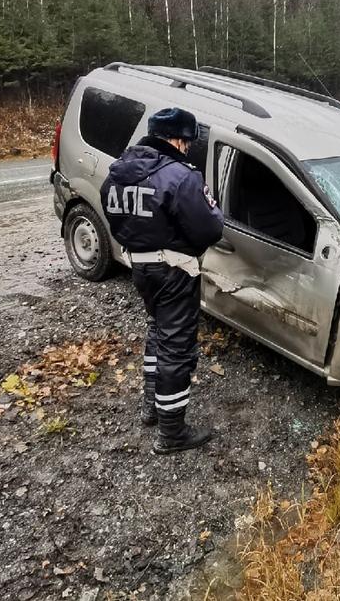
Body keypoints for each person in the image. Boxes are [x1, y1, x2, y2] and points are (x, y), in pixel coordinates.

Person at [101, 107, 224, 455]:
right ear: (176, 139)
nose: (187, 148)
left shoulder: (118, 173)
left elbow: (115, 220)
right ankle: (172, 433)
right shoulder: (180, 177)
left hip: (140, 268)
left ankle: (150, 407)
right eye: (186, 141)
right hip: (174, 270)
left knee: (157, 331)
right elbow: (210, 227)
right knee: (177, 347)